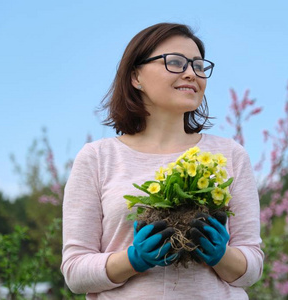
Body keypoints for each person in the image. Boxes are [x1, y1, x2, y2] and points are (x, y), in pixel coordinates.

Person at [61, 23, 263, 299]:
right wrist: (133, 260)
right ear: (135, 77)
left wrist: (221, 255)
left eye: (198, 66)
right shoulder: (97, 158)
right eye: (176, 63)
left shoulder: (230, 154)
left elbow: (252, 268)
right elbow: (75, 272)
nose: (192, 73)